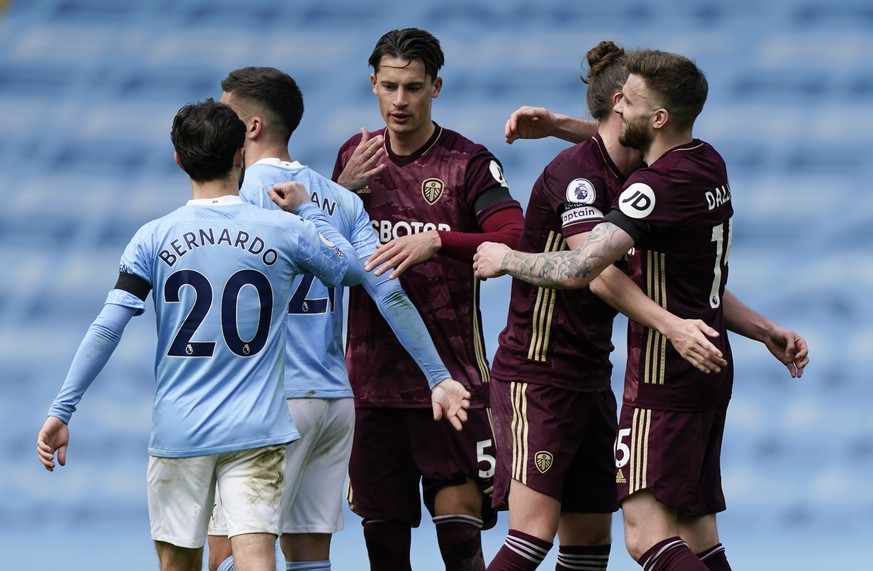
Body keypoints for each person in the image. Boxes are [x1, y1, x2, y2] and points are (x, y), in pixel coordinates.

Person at [474, 50, 809, 571]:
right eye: (618, 99)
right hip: (540, 374)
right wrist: (763, 328)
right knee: (568, 538)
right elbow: (687, 272)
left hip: (646, 373)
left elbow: (589, 269)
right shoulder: (703, 161)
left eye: (627, 100)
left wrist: (505, 258)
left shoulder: (648, 184)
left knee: (640, 538)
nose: (618, 106)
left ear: (654, 117)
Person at [36, 99, 363, 571]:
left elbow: (108, 326)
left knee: (179, 563)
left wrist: (62, 410)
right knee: (255, 558)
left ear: (178, 160)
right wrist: (311, 210)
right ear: (240, 156)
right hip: (258, 428)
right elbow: (349, 270)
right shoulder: (281, 230)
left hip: (181, 430)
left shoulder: (154, 237)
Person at [205, 66, 471, 571]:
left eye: (225, 113)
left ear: (253, 126)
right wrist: (438, 376)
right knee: (309, 555)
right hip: (333, 400)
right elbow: (386, 291)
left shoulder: (244, 193)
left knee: (228, 551)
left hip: (274, 398)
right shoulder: (341, 199)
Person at [332, 28, 526, 571]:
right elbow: (322, 252)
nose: (399, 100)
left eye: (413, 87)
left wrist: (438, 239)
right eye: (389, 86)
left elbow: (514, 236)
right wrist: (340, 192)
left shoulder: (467, 162)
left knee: (460, 544)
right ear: (373, 84)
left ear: (436, 86)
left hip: (453, 379)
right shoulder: (356, 157)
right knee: (385, 550)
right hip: (370, 385)